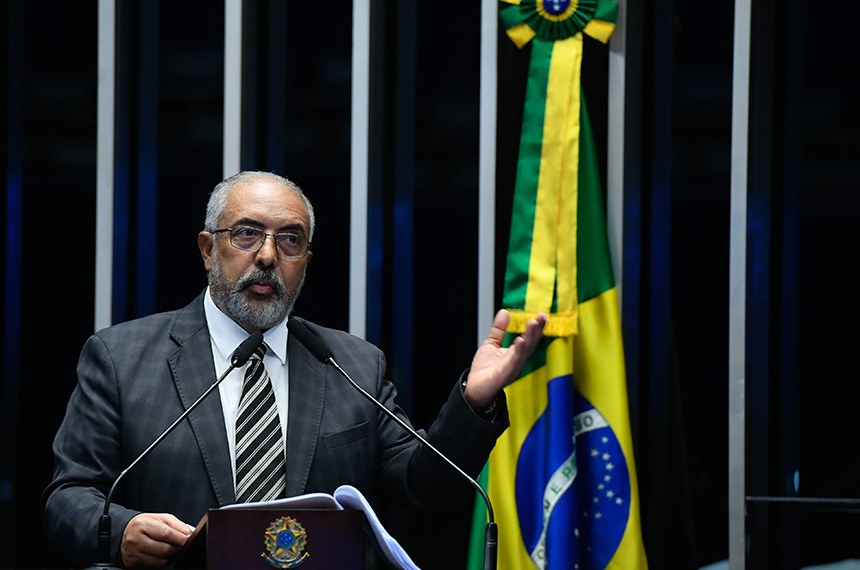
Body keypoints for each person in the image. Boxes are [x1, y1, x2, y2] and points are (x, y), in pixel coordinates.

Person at [42, 170, 547, 568]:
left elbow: (424, 486)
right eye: (246, 235)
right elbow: (68, 498)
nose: (267, 255)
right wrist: (121, 531)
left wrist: (473, 401)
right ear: (206, 249)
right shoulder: (122, 358)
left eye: (289, 241)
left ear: (305, 260)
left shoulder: (352, 364)